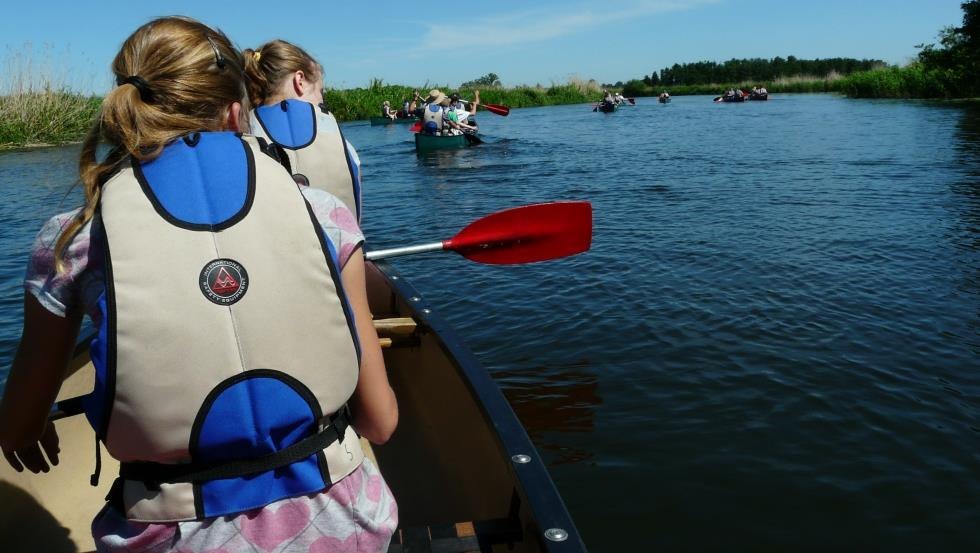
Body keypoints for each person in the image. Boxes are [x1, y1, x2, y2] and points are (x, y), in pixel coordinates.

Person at [0, 16, 398, 553]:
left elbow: (18, 429)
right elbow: (381, 421)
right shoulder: (326, 216)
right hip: (352, 532)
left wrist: (28, 427)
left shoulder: (70, 241)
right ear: (237, 113)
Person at [244, 40, 365, 221]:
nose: (322, 100)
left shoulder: (243, 142)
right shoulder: (345, 149)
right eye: (321, 92)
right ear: (299, 81)